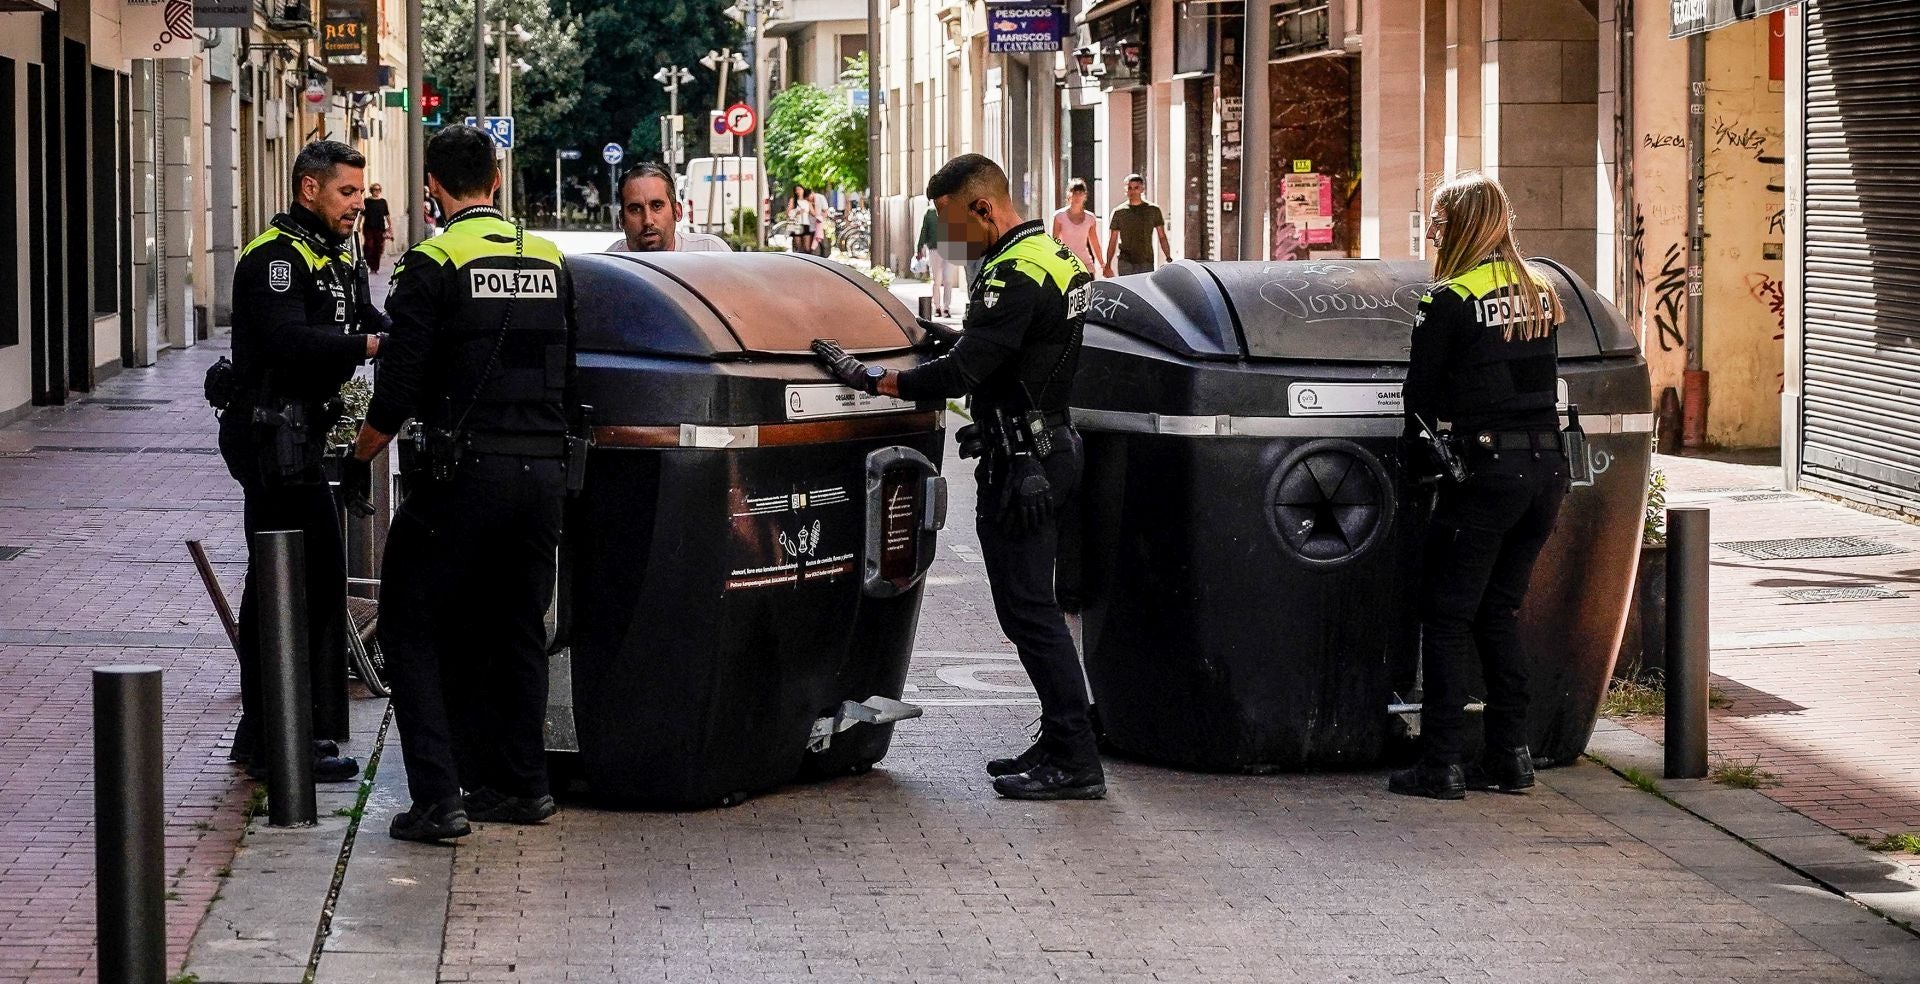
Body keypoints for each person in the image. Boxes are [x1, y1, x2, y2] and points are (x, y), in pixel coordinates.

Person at [810, 154, 1102, 801]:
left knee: (1031, 614)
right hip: (1044, 449)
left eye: (947, 223)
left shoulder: (1011, 275)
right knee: (1032, 612)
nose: (944, 241)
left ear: (982, 208)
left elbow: (962, 373)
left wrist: (871, 377)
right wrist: (926, 334)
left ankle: (1077, 760)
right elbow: (1005, 353)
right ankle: (1062, 739)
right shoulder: (1051, 257)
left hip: (1024, 467)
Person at [354, 125, 575, 841]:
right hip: (542, 472)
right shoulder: (547, 257)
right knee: (517, 627)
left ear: (434, 191)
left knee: (411, 624)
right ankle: (522, 788)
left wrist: (359, 454)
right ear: (499, 181)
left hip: (463, 475)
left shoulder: (434, 260)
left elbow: (399, 384)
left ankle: (437, 801)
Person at [1391, 171, 1570, 801]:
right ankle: (1512, 755)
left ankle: (1439, 763)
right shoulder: (1543, 294)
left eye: (1438, 223)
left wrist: (1414, 473)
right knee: (1499, 611)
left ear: (1457, 227)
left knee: (1446, 616)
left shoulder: (1448, 300)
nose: (1434, 234)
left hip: (1486, 475)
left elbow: (1421, 399)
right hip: (1547, 471)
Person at [218, 140, 385, 785]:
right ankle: (296, 739)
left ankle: (267, 734)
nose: (357, 205)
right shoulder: (275, 259)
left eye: (360, 194)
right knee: (304, 582)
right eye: (347, 193)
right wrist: (367, 344)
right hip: (273, 440)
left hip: (302, 436)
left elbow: (372, 317)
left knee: (277, 582)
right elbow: (287, 341)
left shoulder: (335, 256)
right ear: (309, 190)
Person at [606, 162, 733, 253]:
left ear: (677, 211)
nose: (648, 220)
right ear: (621, 219)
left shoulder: (711, 251)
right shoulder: (609, 267)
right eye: (635, 209)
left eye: (657, 206)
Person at [1104, 173, 1172, 276]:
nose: (1133, 191)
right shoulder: (1119, 212)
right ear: (1125, 190)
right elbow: (1113, 240)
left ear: (1142, 189)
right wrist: (1108, 264)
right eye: (1130, 188)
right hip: (1125, 261)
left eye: (1136, 188)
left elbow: (1162, 236)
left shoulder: (1153, 210)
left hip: (1146, 260)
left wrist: (1168, 257)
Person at [1051, 178, 1107, 278]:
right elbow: (1055, 242)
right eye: (1074, 192)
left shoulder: (1090, 218)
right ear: (1069, 194)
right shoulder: (1059, 216)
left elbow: (1094, 242)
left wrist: (1103, 265)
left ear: (1085, 195)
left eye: (1080, 193)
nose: (1077, 196)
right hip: (1066, 264)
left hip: (1085, 264)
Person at [914, 203, 954, 318]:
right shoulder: (930, 212)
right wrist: (919, 248)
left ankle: (946, 307)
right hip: (934, 249)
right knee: (936, 280)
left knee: (948, 279)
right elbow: (924, 230)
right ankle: (937, 307)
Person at [361, 182, 393, 272]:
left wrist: (390, 226)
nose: (377, 191)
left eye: (378, 190)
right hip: (369, 227)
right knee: (369, 245)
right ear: (371, 191)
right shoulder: (367, 201)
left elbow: (387, 215)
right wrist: (359, 225)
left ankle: (375, 268)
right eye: (375, 189)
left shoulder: (383, 202)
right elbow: (362, 214)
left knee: (378, 247)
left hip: (380, 228)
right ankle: (367, 262)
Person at [787, 183, 817, 254]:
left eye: (799, 189)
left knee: (807, 247)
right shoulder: (793, 200)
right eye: (796, 190)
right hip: (797, 224)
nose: (798, 191)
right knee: (798, 246)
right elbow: (788, 213)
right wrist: (797, 212)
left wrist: (815, 202)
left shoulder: (807, 201)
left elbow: (813, 213)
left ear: (803, 190)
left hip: (806, 224)